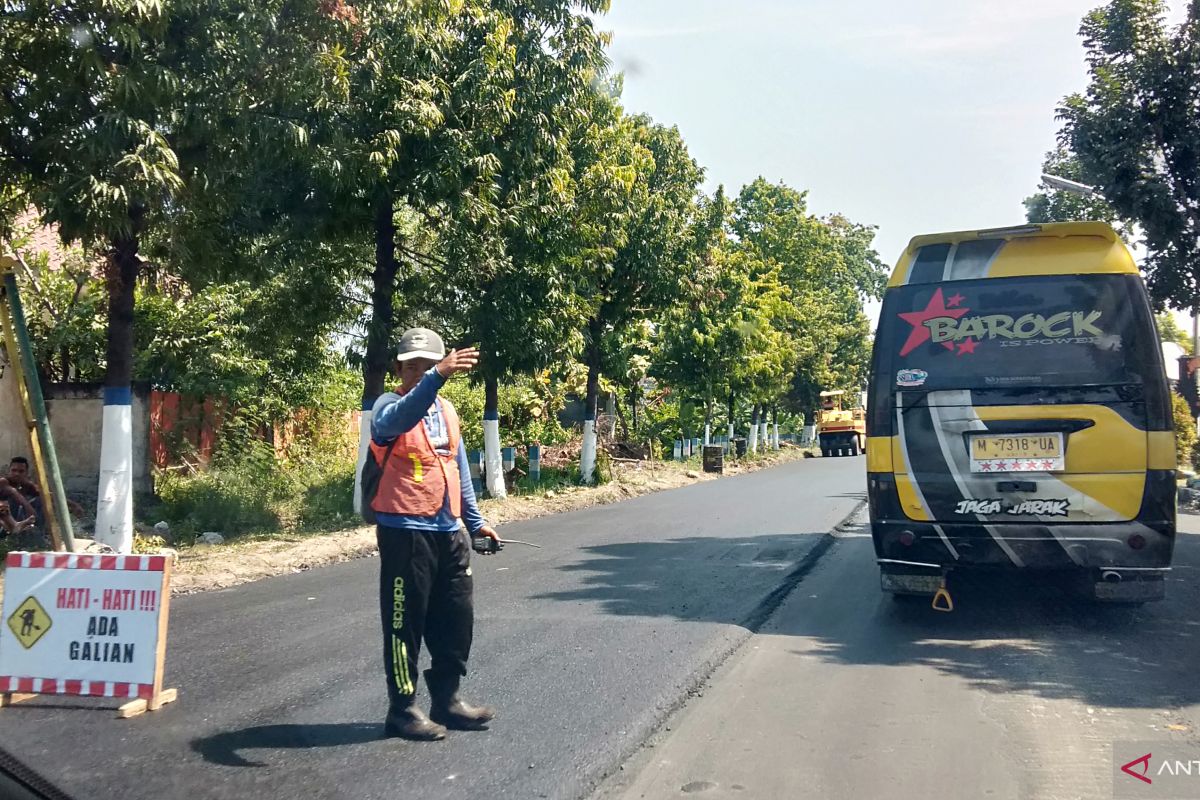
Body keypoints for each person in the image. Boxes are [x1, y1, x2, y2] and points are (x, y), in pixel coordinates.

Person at [368, 327, 502, 741]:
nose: (421, 372)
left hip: (449, 531)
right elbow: (402, 417)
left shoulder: (446, 412)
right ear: (399, 369)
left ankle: (447, 699)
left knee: (456, 621)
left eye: (428, 365)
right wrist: (437, 377)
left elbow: (458, 468)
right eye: (414, 367)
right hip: (405, 532)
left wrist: (475, 521)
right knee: (404, 624)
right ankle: (403, 710)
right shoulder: (386, 408)